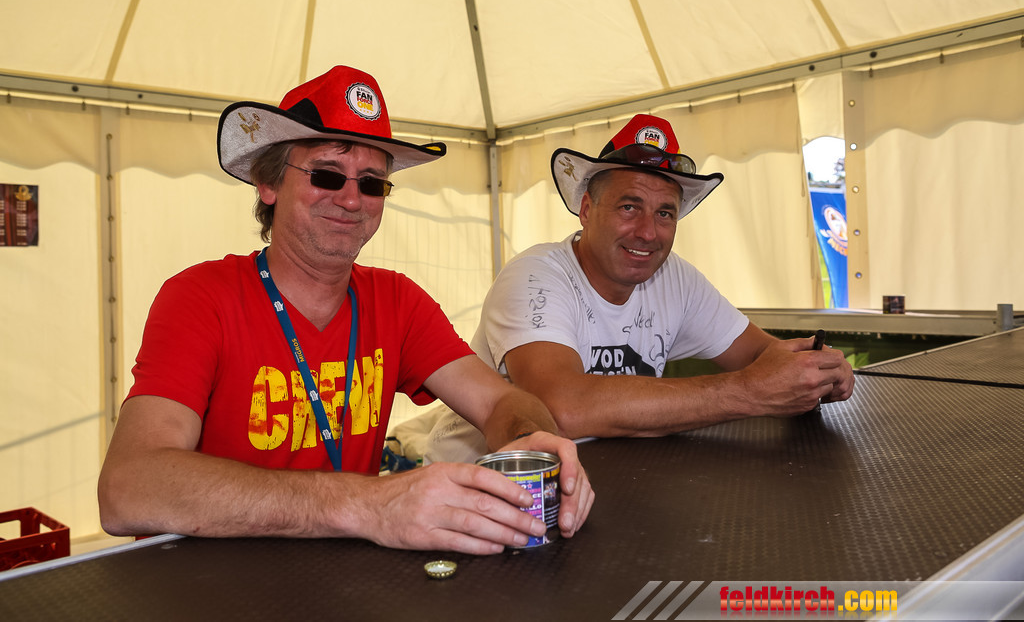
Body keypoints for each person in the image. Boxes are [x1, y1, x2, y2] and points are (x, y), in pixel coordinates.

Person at [98, 65, 593, 555]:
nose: (352, 199)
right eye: (327, 175)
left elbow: (501, 402)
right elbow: (128, 487)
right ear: (268, 184)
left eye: (372, 183)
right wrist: (368, 502)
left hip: (341, 576)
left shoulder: (397, 300)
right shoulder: (200, 297)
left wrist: (532, 440)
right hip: (213, 580)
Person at [426, 113, 855, 461]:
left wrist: (816, 372)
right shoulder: (535, 276)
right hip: (477, 492)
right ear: (587, 209)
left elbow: (764, 357)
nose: (648, 233)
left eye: (665, 213)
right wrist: (749, 392)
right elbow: (561, 407)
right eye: (629, 207)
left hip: (603, 481)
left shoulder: (675, 278)